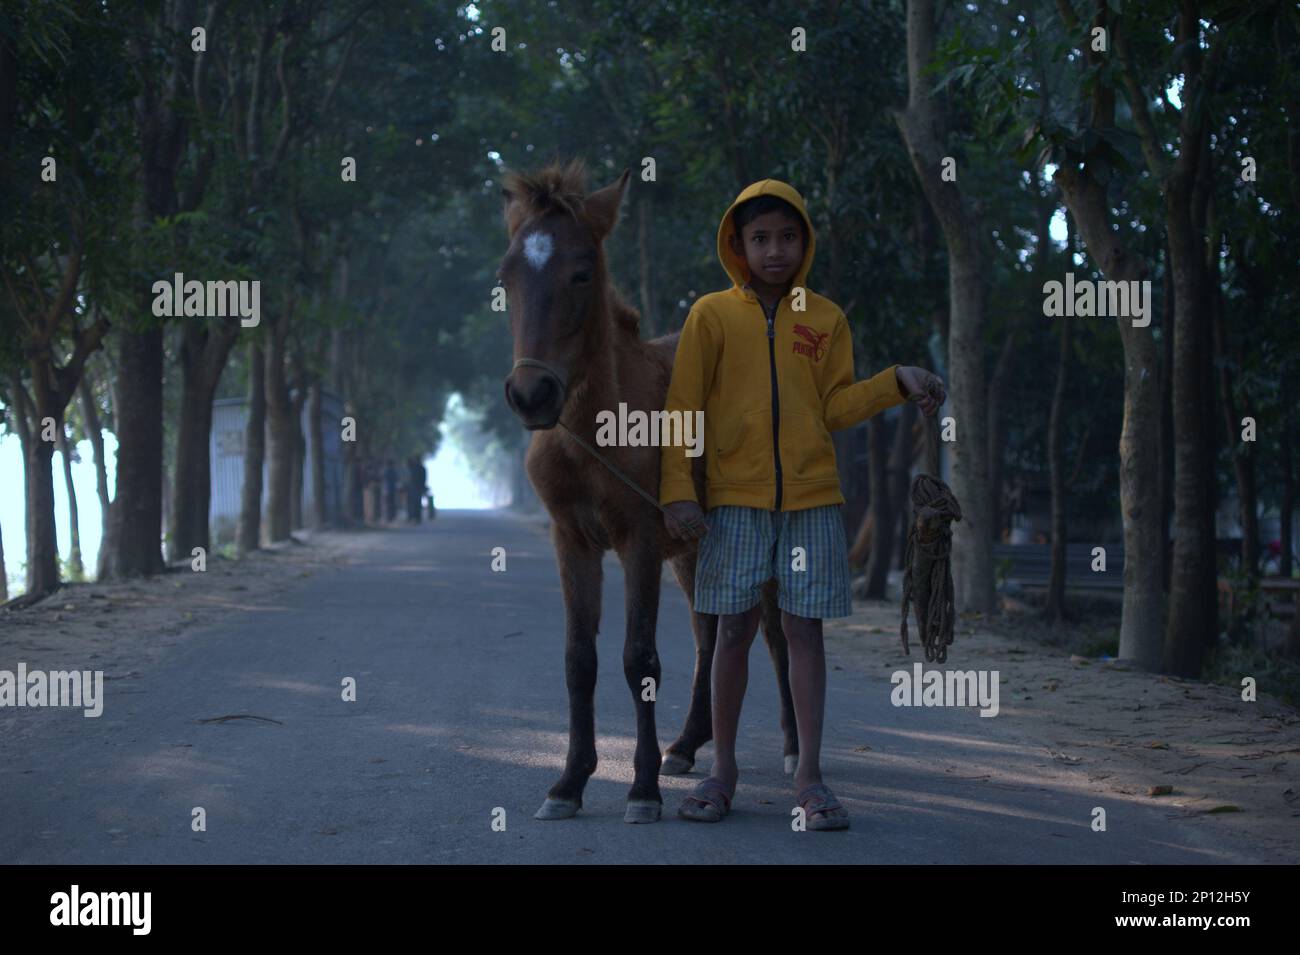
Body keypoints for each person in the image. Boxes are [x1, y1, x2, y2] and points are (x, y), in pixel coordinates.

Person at [659, 179, 945, 830]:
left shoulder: (826, 318)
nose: (775, 250)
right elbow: (682, 411)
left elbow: (836, 405)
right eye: (760, 238)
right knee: (730, 632)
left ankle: (810, 775)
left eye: (788, 237)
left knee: (803, 634)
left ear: (805, 242)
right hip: (733, 501)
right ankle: (722, 770)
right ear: (738, 245)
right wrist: (678, 490)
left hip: (812, 500)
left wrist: (894, 381)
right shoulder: (711, 315)